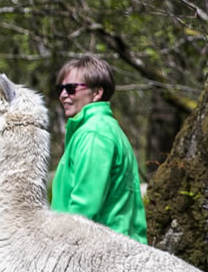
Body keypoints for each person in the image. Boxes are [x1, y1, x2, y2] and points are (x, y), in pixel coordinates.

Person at [50, 55, 148, 243]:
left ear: (97, 93)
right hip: (112, 248)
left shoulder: (94, 134)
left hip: (98, 254)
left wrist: (58, 249)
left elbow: (84, 210)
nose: (63, 95)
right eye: (60, 89)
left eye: (71, 88)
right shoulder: (104, 128)